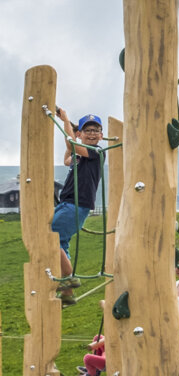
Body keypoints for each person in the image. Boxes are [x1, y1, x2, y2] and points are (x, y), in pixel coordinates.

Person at [51, 112, 103, 305]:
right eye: (87, 130)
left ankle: (69, 277)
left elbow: (72, 146)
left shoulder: (96, 152)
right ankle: (67, 292)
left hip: (76, 204)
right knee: (61, 244)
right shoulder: (80, 157)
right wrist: (72, 132)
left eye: (95, 130)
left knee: (50, 237)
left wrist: (65, 121)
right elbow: (68, 158)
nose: (91, 133)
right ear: (80, 133)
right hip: (68, 203)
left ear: (101, 135)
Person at [75, 301, 106, 376]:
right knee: (97, 337)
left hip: (108, 361)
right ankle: (94, 368)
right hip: (107, 353)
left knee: (87, 358)